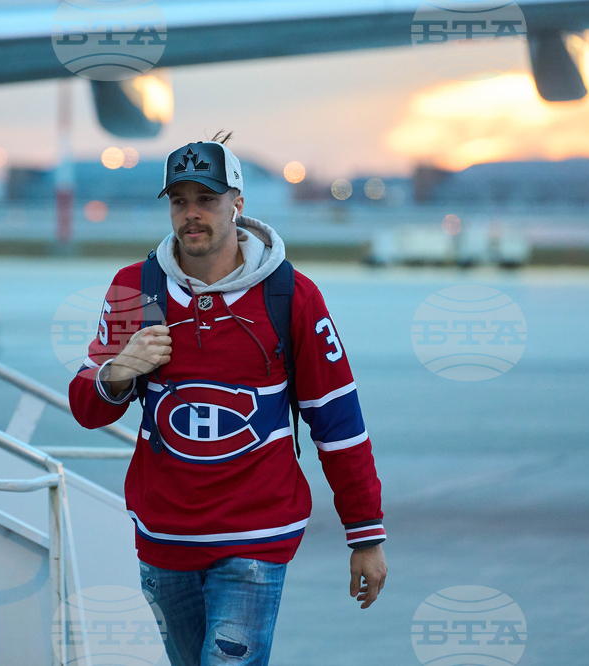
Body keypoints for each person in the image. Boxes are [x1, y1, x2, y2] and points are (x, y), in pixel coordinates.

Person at [68, 132, 387, 666]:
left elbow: (338, 423)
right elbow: (86, 408)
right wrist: (122, 368)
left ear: (237, 205)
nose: (192, 214)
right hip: (164, 535)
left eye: (207, 200)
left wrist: (366, 535)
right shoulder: (135, 288)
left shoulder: (292, 295)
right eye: (179, 201)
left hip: (255, 537)